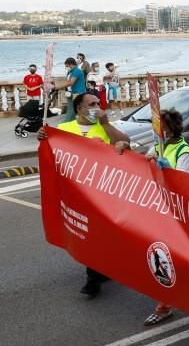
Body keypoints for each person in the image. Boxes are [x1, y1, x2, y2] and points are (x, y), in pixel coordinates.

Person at [37, 92, 132, 297]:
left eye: (98, 103)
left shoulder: (104, 127)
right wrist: (42, 137)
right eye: (92, 104)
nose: (97, 107)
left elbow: (126, 142)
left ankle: (94, 276)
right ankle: (96, 275)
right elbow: (51, 150)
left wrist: (106, 124)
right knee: (87, 233)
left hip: (102, 193)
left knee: (100, 233)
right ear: (79, 108)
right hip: (75, 194)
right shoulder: (64, 129)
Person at [142, 109, 189, 325]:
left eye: (160, 127)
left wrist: (165, 168)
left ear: (170, 128)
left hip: (179, 214)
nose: (157, 131)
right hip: (159, 210)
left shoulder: (184, 150)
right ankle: (167, 302)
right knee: (165, 257)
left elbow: (180, 182)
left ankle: (167, 304)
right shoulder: (158, 146)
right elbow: (144, 163)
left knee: (173, 258)